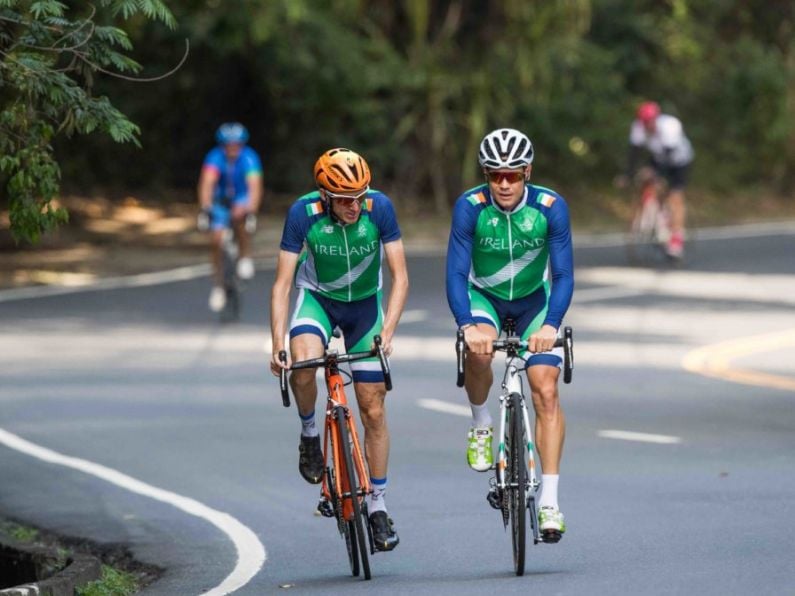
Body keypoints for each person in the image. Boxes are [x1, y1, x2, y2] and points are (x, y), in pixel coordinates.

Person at [270, 148, 409, 551]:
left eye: (359, 196)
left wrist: (389, 329)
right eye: (345, 199)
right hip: (318, 301)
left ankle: (379, 506)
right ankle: (310, 432)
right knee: (302, 365)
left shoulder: (378, 208)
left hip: (366, 308)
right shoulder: (303, 213)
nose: (354, 205)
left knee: (373, 408)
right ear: (325, 196)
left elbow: (400, 278)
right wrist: (277, 341)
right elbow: (282, 284)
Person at [446, 128, 574, 542]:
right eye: (495, 175)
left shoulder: (550, 207)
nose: (503, 183)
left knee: (546, 388)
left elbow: (564, 273)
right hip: (484, 297)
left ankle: (550, 501)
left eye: (513, 175)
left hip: (536, 303)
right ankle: (482, 424)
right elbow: (454, 273)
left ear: (527, 173)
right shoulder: (470, 207)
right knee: (479, 353)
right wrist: (467, 326)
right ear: (485, 175)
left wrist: (552, 324)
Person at [197, 122, 263, 312]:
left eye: (237, 145)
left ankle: (245, 256)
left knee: (240, 217)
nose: (233, 149)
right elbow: (207, 183)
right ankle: (218, 285)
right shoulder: (214, 157)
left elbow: (255, 186)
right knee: (216, 239)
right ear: (222, 145)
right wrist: (205, 208)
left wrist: (251, 209)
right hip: (221, 201)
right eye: (228, 145)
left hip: (242, 198)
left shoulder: (250, 158)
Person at [624, 101, 694, 259]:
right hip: (658, 157)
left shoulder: (670, 126)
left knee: (675, 197)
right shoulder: (638, 127)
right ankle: (654, 218)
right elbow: (633, 154)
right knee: (647, 180)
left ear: (656, 119)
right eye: (645, 123)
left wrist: (657, 174)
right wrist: (627, 175)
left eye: (650, 122)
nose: (648, 126)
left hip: (679, 160)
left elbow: (669, 155)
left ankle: (676, 240)